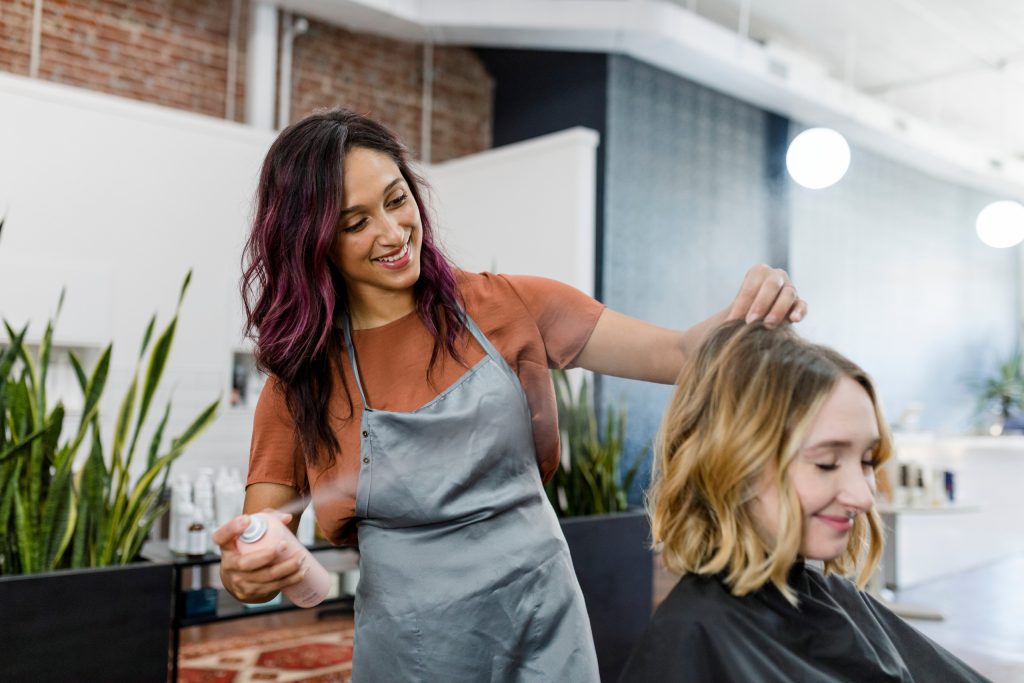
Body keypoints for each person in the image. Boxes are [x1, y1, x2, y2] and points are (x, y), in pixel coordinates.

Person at [211, 107, 806, 682]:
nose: (393, 233)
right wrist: (252, 568)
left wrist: (750, 312)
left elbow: (678, 354)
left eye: (397, 200)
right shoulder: (302, 381)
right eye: (355, 222)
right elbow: (259, 541)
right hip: (413, 649)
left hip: (543, 624)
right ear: (312, 241)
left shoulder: (512, 305)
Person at [619, 321, 989, 682]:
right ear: (735, 464)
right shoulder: (692, 636)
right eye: (826, 463)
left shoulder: (836, 600)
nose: (863, 496)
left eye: (867, 462)